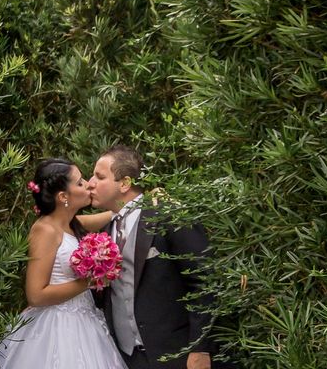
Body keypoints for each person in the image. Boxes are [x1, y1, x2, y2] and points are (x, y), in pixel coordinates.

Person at [0, 158, 127, 369]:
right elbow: (36, 295)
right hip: (56, 325)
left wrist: (141, 200)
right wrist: (91, 280)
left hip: (86, 320)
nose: (88, 184)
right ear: (63, 196)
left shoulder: (72, 223)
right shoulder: (45, 230)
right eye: (79, 182)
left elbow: (113, 213)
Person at [89, 145, 225, 369]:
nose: (90, 182)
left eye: (99, 176)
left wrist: (200, 347)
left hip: (177, 352)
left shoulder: (170, 215)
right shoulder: (104, 232)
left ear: (124, 183)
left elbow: (205, 281)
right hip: (127, 355)